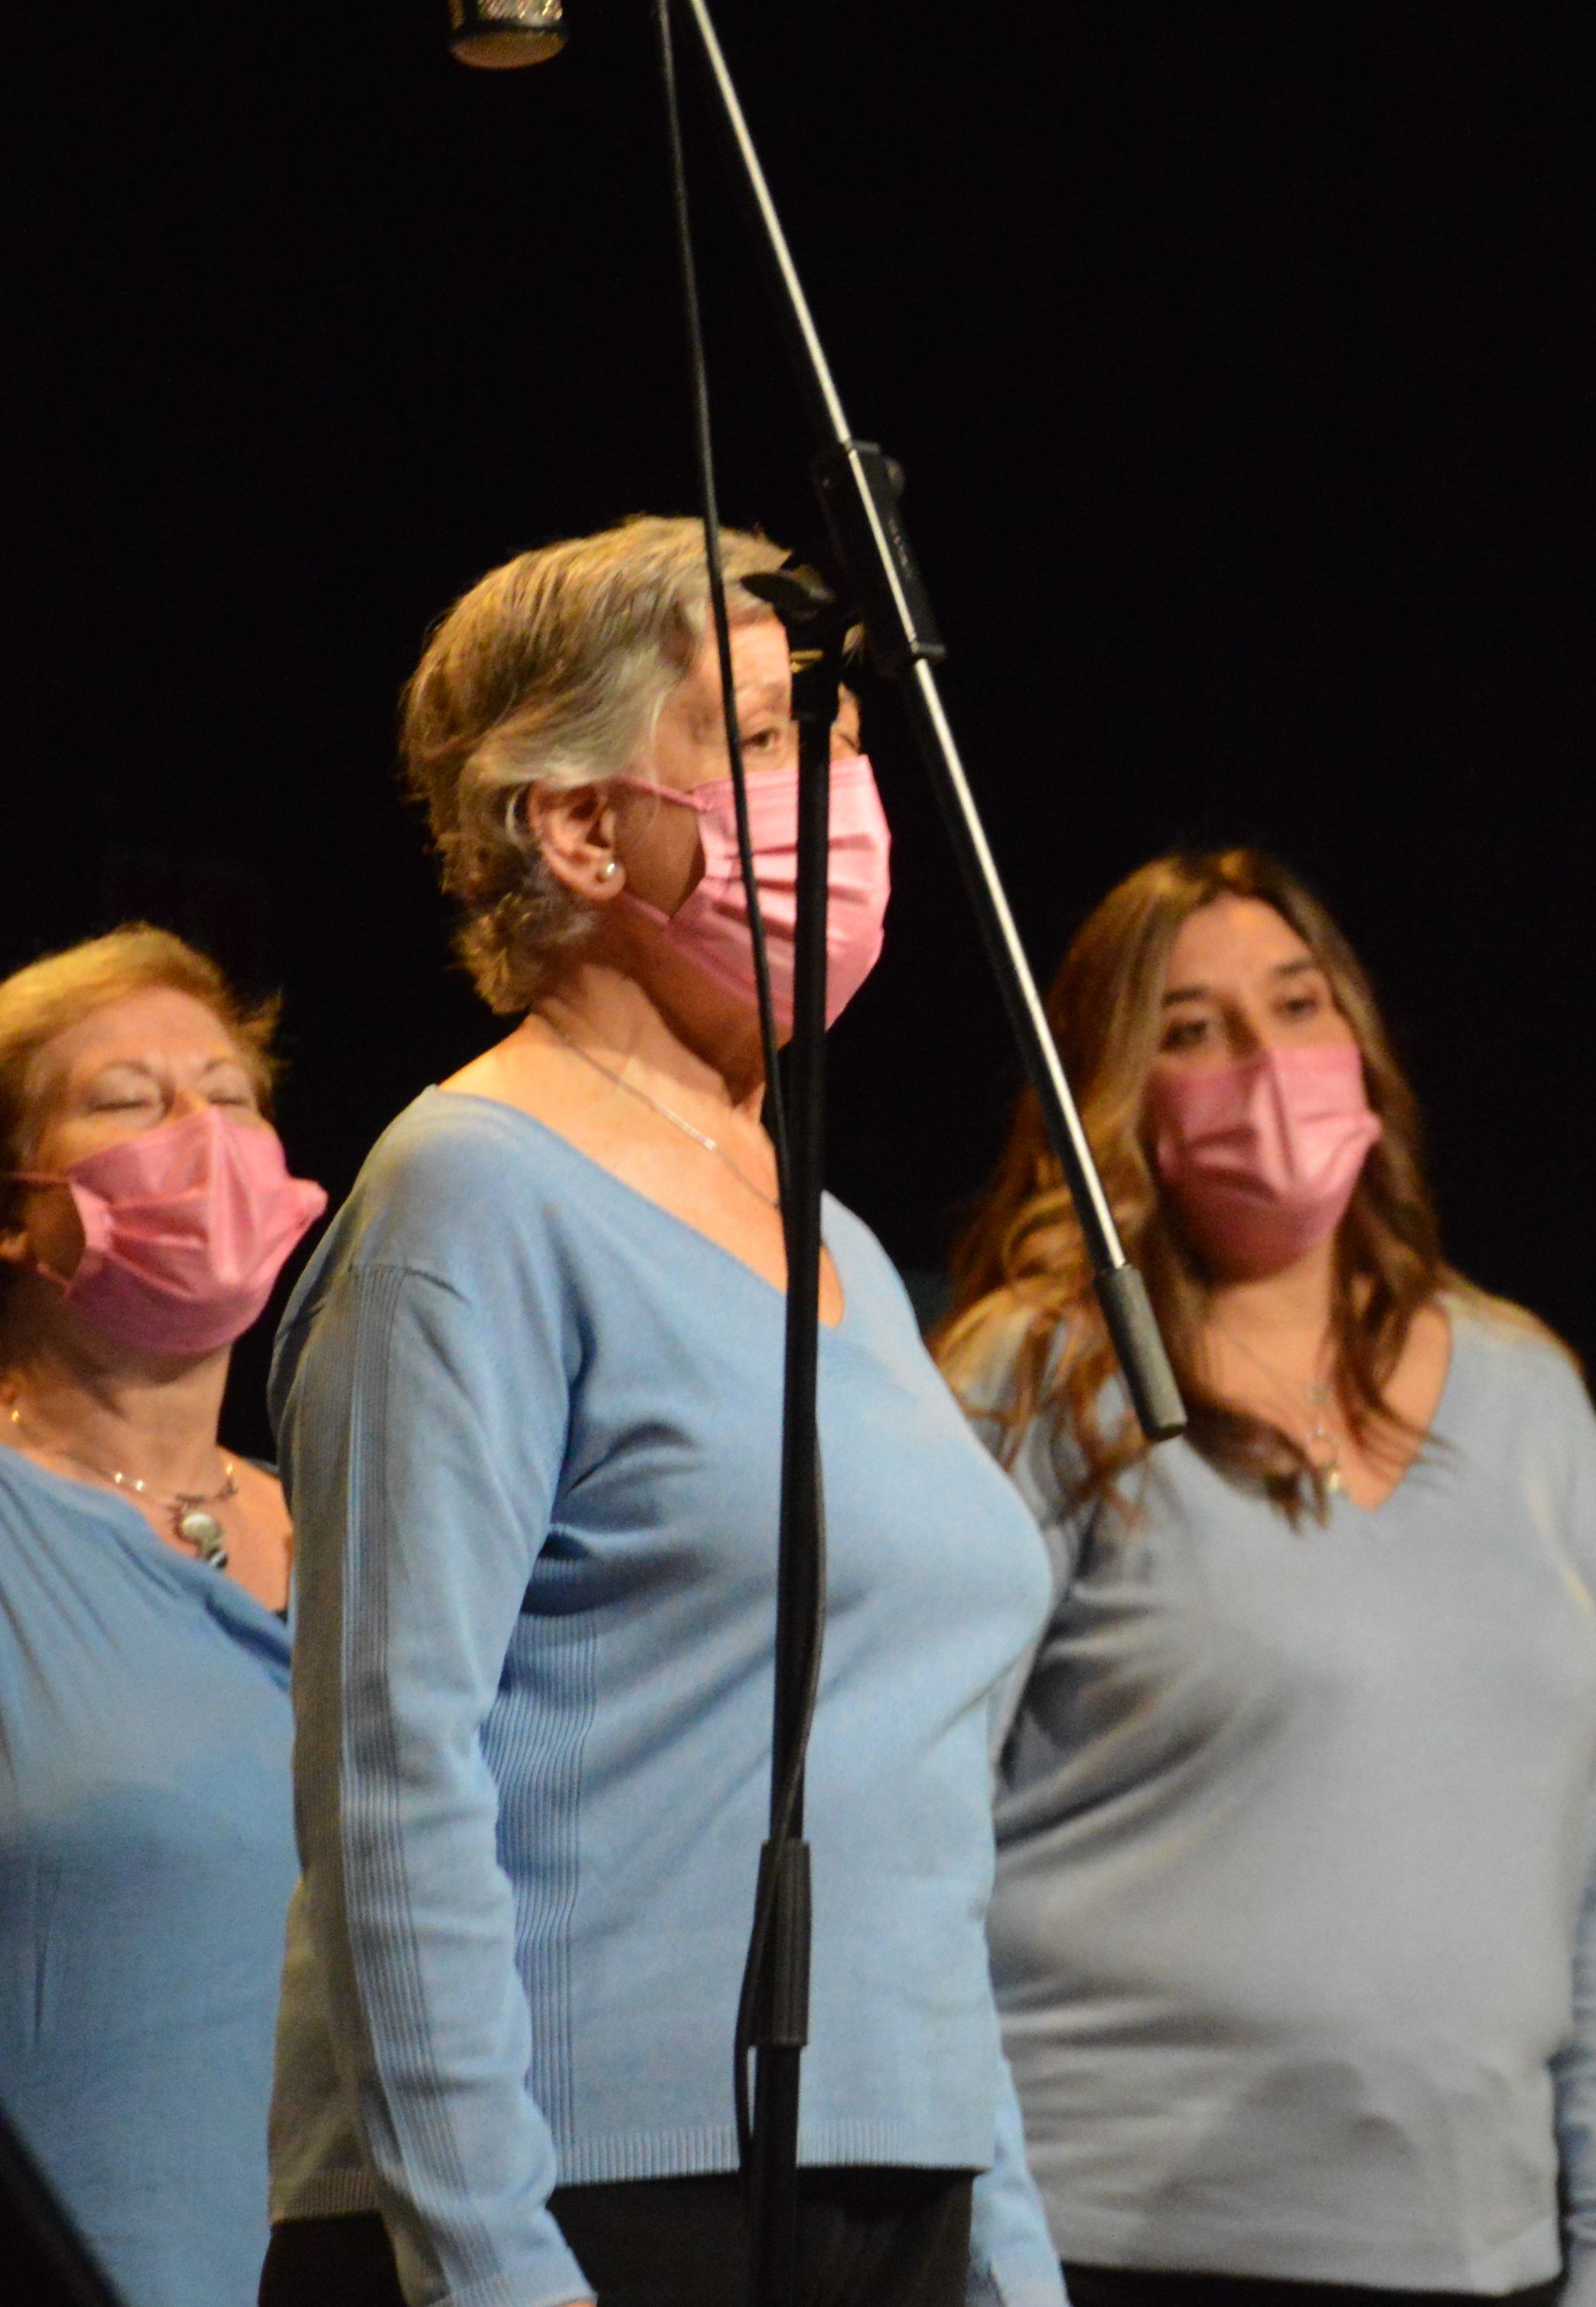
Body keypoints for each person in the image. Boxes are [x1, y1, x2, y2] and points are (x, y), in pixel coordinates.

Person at [262, 514, 1063, 2307]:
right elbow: (392, 1768)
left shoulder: (833, 1235)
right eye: (771, 737)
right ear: (577, 823)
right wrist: (484, 2255)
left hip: (893, 2186)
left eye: (843, 739)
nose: (841, 790)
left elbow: (912, 1828)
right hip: (581, 2202)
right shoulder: (475, 1186)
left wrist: (1001, 2240)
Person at [936, 849, 1596, 2307]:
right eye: (1190, 1028)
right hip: (1119, 2246)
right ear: (1114, 1094)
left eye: (1296, 1007)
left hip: (1491, 2255)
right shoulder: (1041, 1381)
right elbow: (908, 1846)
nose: (1263, 1064)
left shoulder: (1528, 1392)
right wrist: (985, 2259)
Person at [0, 927, 326, 2307]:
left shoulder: (366, 1535)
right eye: (131, 1102)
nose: (203, 1135)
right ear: (15, 1209)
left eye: (234, 1098)